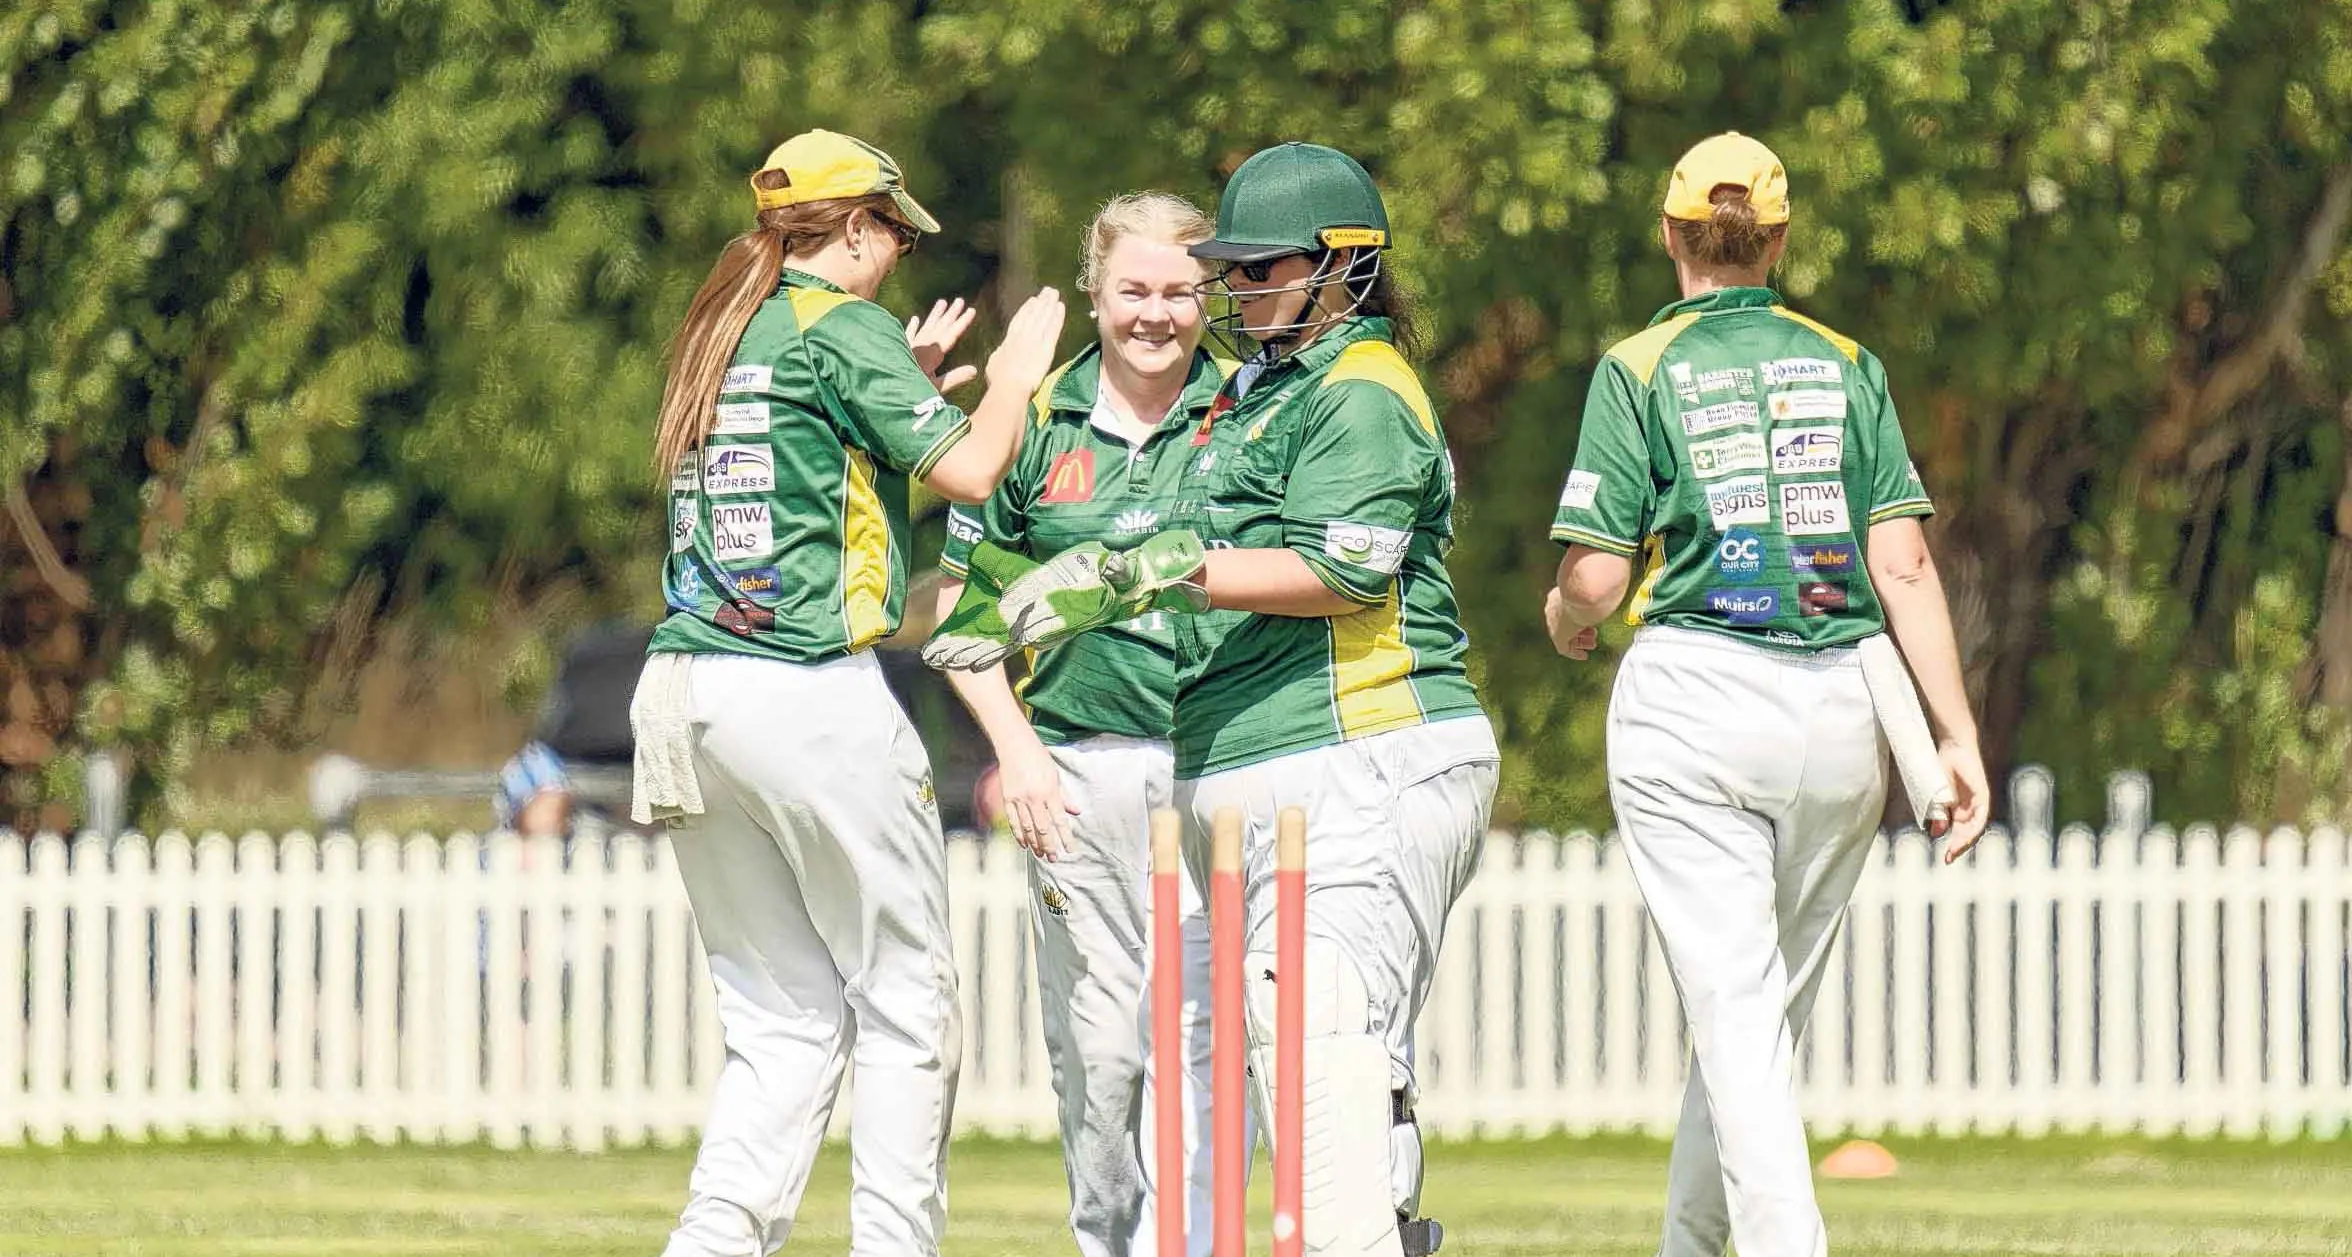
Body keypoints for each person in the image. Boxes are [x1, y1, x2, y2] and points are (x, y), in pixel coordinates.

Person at [959, 142, 1496, 1257]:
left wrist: (1163, 570)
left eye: (1260, 270)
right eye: (1233, 270)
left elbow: (1345, 571)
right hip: (1244, 770)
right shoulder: (1259, 391)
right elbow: (988, 583)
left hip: (1369, 741)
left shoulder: (1360, 386)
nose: (1235, 293)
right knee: (1295, 1048)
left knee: (1324, 1048)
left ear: (1344, 263)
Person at [1541, 132, 1990, 1257]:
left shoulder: (1638, 366)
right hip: (1842, 708)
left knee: (1736, 1014)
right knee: (1752, 1017)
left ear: (1669, 235)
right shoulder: (1846, 361)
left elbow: (1594, 577)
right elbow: (1903, 567)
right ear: (1780, 241)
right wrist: (1956, 732)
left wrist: (1566, 622)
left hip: (1695, 694)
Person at [625, 128, 1066, 1257]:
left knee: (781, 1018)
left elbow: (795, 464)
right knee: (908, 1000)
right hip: (803, 692)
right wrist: (1015, 374)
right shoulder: (843, 324)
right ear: (861, 230)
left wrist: (900, 390)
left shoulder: (729, 327)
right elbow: (974, 468)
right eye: (892, 238)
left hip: (682, 690)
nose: (897, 261)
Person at [926, 192, 1235, 1257]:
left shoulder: (1248, 411)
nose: (1157, 315)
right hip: (1076, 776)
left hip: (1221, 773)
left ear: (1211, 294)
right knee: (1104, 1055)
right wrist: (1018, 755)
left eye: (1181, 292)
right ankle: (1108, 1238)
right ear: (1097, 291)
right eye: (1134, 291)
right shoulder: (1038, 422)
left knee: (1202, 1040)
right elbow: (960, 616)